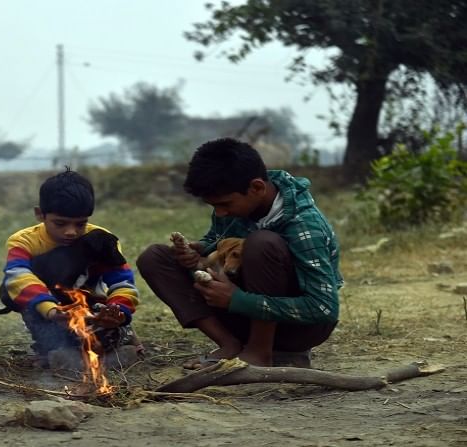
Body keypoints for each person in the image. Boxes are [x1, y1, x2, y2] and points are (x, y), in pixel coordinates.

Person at [137, 138, 342, 368]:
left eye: (225, 204)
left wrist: (238, 300)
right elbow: (219, 240)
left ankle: (259, 352)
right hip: (238, 315)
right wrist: (200, 250)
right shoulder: (234, 209)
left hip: (298, 329)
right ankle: (230, 344)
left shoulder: (304, 226)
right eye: (214, 206)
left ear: (256, 187)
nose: (220, 213)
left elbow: (324, 308)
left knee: (261, 243)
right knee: (154, 257)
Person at [0, 168, 142, 369]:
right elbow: (18, 277)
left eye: (80, 224)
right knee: (13, 293)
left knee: (101, 338)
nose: (71, 232)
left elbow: (123, 282)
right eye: (60, 223)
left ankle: (120, 340)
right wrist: (51, 310)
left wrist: (118, 311)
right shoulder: (23, 241)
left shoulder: (101, 240)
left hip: (92, 308)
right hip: (50, 308)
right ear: (40, 214)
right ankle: (55, 350)